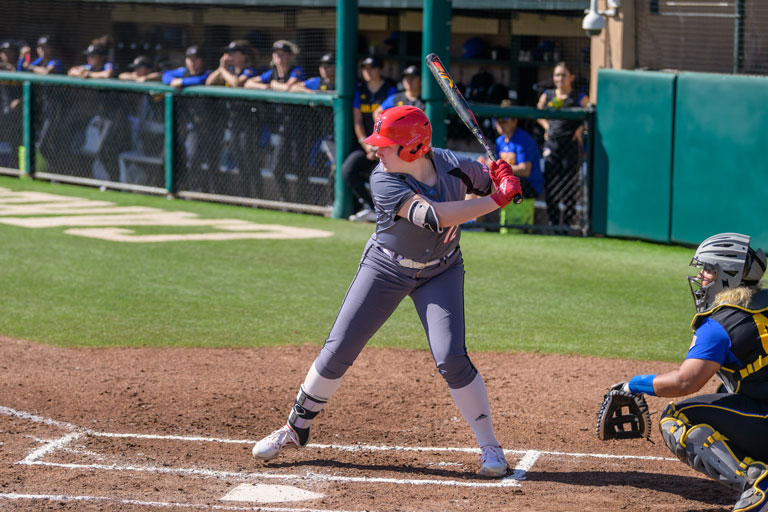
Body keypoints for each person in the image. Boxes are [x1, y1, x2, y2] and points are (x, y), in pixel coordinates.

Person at [251, 105, 523, 478]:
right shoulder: (383, 179)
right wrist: (497, 199)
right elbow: (432, 217)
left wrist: (501, 177)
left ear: (412, 148)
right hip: (386, 267)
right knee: (339, 348)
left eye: (385, 145)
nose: (376, 151)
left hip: (440, 271)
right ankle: (295, 429)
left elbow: (490, 181)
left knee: (451, 358)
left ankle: (490, 446)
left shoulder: (454, 165)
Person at [611, 233, 768, 512]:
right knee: (727, 389)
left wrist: (634, 384)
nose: (702, 276)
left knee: (677, 416)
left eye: (708, 269)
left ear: (728, 275)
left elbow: (685, 382)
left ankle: (757, 482)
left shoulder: (719, 324)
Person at [344, 56, 397, 222]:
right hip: (367, 145)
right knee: (348, 170)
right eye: (364, 68)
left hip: (387, 146)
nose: (368, 71)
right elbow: (358, 121)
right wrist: (367, 146)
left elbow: (391, 121)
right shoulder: (360, 90)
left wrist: (378, 147)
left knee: (384, 177)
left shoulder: (390, 90)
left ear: (380, 69)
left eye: (372, 67)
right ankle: (371, 208)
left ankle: (389, 211)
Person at [536, 62, 588, 230]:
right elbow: (538, 113)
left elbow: (590, 116)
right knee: (550, 185)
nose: (560, 78)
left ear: (571, 77)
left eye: (563, 75)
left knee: (570, 185)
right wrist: (547, 127)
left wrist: (580, 129)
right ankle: (552, 223)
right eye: (557, 75)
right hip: (552, 145)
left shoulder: (579, 97)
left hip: (571, 146)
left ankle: (567, 224)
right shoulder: (547, 95)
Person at [480, 100, 543, 233]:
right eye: (498, 120)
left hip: (527, 185)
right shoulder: (500, 141)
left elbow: (525, 170)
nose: (500, 123)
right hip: (508, 182)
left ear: (514, 121)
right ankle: (475, 223)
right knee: (480, 181)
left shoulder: (523, 140)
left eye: (505, 120)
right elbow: (496, 167)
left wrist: (497, 166)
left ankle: (478, 224)